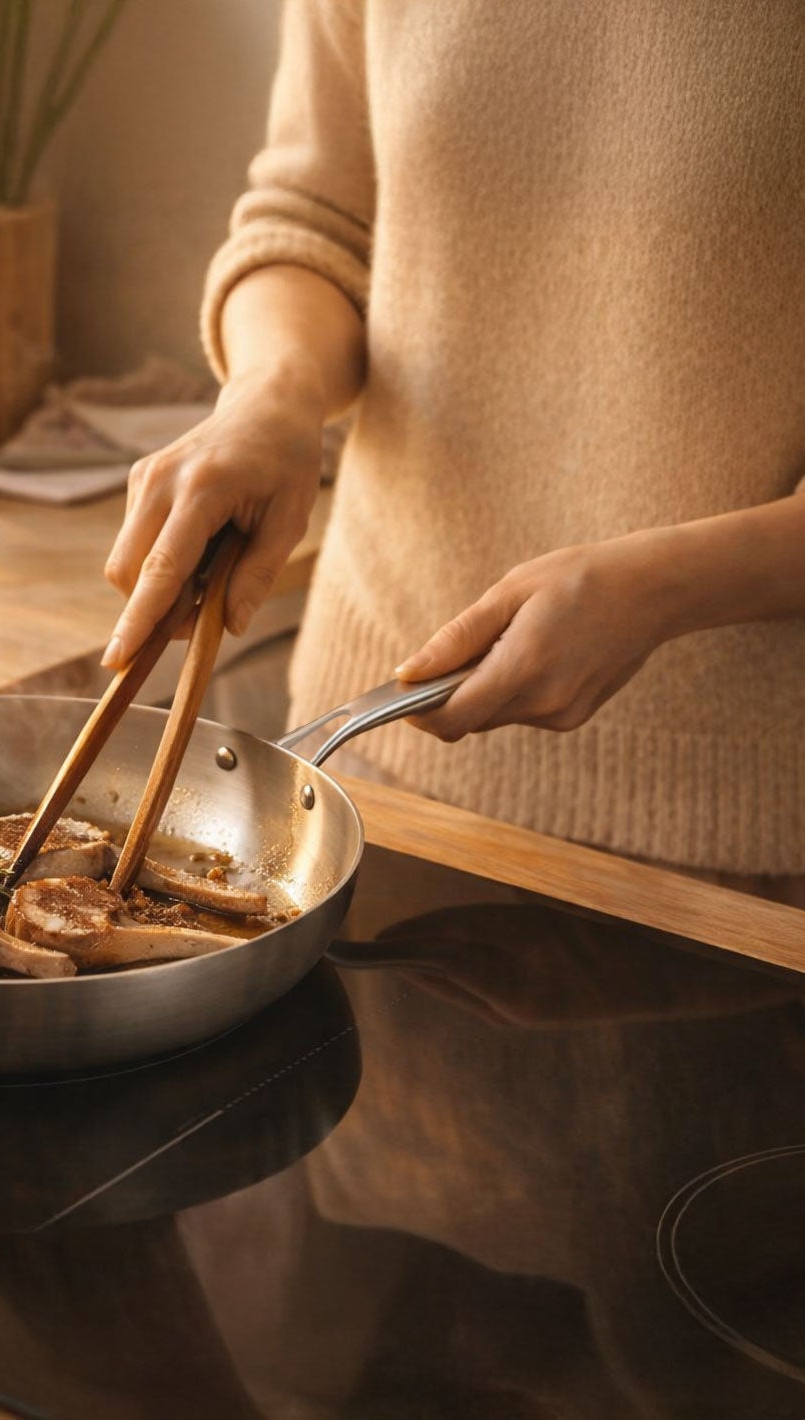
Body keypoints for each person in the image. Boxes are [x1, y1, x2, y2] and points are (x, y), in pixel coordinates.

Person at [101, 1, 805, 894]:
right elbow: (313, 220)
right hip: (367, 772)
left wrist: (666, 586)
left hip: (745, 844)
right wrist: (271, 393)